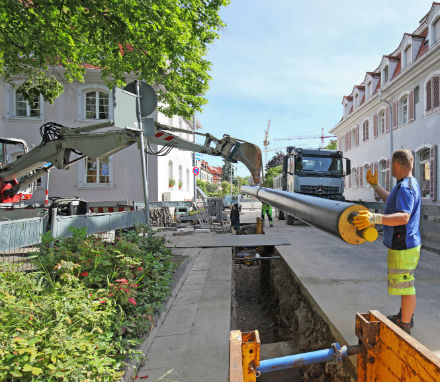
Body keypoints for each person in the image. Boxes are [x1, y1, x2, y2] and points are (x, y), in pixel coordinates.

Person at [353, 149, 421, 335]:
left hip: (404, 244)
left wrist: (374, 218)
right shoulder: (406, 184)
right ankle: (404, 316)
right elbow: (391, 201)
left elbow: (404, 217)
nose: (390, 168)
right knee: (404, 283)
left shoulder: (405, 187)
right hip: (404, 243)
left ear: (396, 165)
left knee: (406, 286)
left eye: (391, 165)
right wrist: (376, 186)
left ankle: (405, 325)